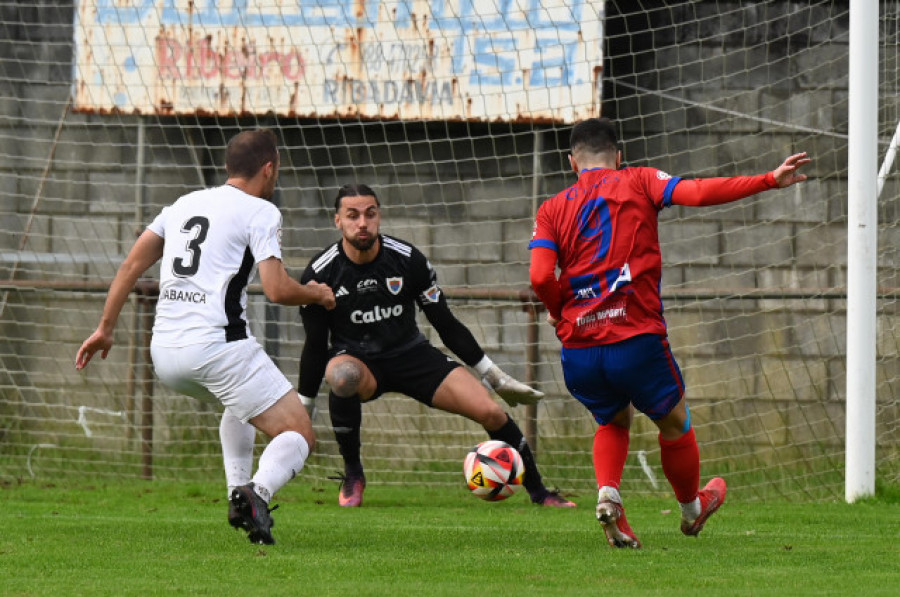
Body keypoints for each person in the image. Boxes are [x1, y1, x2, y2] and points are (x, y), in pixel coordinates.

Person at [529, 117, 810, 548]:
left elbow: (540, 275)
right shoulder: (640, 180)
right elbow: (696, 192)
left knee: (611, 418)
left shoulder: (551, 209)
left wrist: (557, 311)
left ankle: (608, 494)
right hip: (635, 339)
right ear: (618, 157)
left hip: (580, 348)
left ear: (572, 163)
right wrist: (768, 180)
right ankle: (692, 510)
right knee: (675, 421)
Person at [75, 129, 335, 546]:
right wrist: (318, 294)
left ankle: (238, 494)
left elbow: (129, 266)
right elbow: (277, 289)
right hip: (217, 348)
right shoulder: (261, 211)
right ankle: (257, 493)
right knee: (300, 434)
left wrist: (105, 328)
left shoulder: (183, 204)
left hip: (164, 354)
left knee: (241, 404)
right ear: (269, 169)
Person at [297, 183, 575, 508]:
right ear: (338, 221)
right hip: (359, 361)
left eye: (370, 214)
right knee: (341, 375)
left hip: (412, 356)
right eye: (353, 215)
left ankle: (540, 492)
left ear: (379, 217)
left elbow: (445, 323)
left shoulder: (407, 260)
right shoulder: (320, 272)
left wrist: (494, 377)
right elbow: (316, 345)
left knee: (490, 411)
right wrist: (305, 407)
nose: (362, 223)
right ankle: (354, 473)